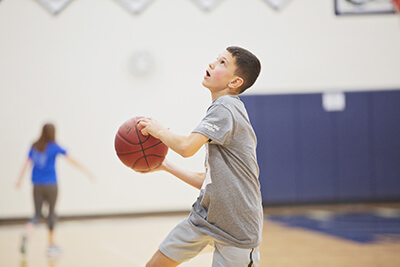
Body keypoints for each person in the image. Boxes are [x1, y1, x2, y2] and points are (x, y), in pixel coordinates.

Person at [138, 46, 263, 267]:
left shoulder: (226, 107)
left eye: (223, 62)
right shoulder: (223, 109)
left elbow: (187, 147)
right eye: (216, 59)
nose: (213, 64)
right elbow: (210, 182)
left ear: (234, 82)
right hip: (205, 218)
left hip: (237, 226)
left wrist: (159, 131)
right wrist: (166, 165)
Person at [16, 123, 94, 256]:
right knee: (51, 214)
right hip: (51, 185)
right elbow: (70, 159)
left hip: (37, 185)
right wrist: (86, 171)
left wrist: (19, 180)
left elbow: (26, 163)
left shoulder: (34, 146)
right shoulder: (54, 147)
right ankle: (51, 246)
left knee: (36, 214)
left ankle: (27, 232)